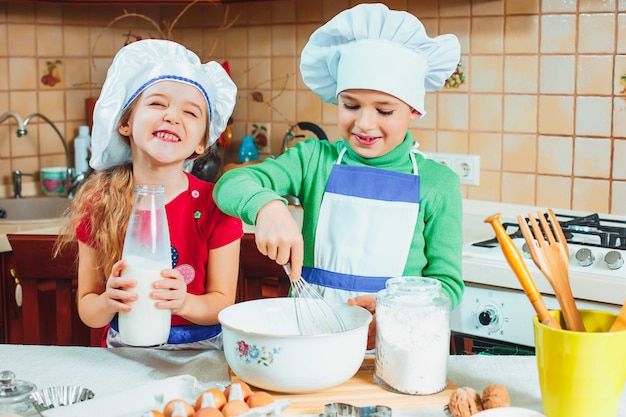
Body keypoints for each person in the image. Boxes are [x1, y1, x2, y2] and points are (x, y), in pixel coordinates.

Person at [213, 3, 464, 348]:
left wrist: (398, 311)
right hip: (308, 341)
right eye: (350, 105)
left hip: (396, 348)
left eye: (384, 109)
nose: (364, 123)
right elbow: (230, 184)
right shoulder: (314, 160)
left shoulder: (439, 184)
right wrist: (266, 206)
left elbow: (447, 285)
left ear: (414, 109)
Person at [56, 39, 243, 350]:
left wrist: (183, 303)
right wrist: (109, 301)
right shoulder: (100, 204)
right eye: (157, 103)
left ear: (201, 143)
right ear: (126, 123)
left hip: (198, 356)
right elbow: (89, 311)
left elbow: (222, 304)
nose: (172, 116)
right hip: (125, 353)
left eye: (191, 112)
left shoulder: (216, 205)